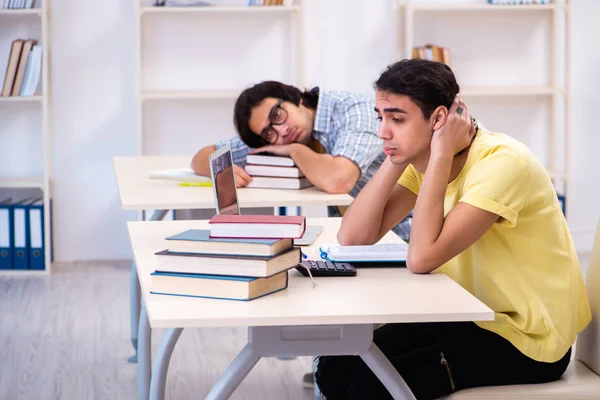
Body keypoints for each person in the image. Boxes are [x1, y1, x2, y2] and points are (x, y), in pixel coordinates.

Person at [315, 59, 591, 399]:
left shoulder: (503, 164)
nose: (382, 131)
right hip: (468, 317)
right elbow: (354, 238)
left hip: (526, 339)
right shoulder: (424, 161)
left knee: (365, 386)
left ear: (439, 119)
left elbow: (421, 259)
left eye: (397, 119)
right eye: (380, 117)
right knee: (334, 364)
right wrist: (393, 153)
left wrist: (442, 150)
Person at [190, 80, 412, 240]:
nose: (282, 131)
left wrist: (295, 150)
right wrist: (218, 168)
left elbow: (340, 179)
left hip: (406, 235)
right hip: (359, 238)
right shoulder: (279, 137)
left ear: (296, 98)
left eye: (277, 115)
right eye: (269, 133)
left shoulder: (354, 111)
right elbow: (201, 156)